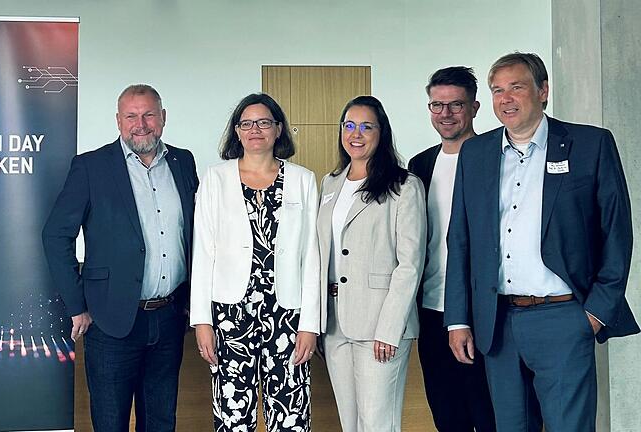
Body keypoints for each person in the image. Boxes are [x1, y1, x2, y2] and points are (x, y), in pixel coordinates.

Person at [444, 52, 639, 432]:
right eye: (497, 90)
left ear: (543, 90)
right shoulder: (476, 153)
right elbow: (461, 241)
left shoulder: (590, 144)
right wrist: (457, 319)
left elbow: (617, 233)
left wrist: (595, 313)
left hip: (564, 317)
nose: (506, 99)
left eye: (516, 87)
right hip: (497, 323)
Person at [42, 84, 198, 432]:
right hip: (110, 320)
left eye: (148, 114)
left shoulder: (182, 161)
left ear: (163, 118)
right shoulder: (91, 167)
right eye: (131, 116)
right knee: (110, 421)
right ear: (118, 120)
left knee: (160, 420)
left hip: (169, 316)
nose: (140, 124)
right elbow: (55, 235)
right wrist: (76, 305)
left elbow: (196, 233)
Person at [190, 93, 320, 432]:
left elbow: (313, 257)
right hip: (230, 316)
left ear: (278, 129)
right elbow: (202, 253)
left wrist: (310, 324)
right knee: (233, 417)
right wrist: (202, 321)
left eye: (264, 122)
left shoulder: (303, 179)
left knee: (290, 415)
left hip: (287, 315)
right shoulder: (215, 179)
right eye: (246, 123)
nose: (255, 130)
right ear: (237, 131)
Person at [318, 95, 426, 431]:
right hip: (336, 323)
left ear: (382, 133)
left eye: (367, 126)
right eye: (349, 125)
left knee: (378, 423)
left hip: (380, 325)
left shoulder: (404, 186)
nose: (356, 134)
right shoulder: (330, 182)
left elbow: (410, 264)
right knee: (350, 423)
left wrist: (389, 329)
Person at [408, 66, 495, 431]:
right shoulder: (420, 165)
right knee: (446, 414)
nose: (445, 114)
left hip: (483, 311)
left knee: (489, 413)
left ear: (475, 107)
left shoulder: (496, 158)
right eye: (436, 105)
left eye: (455, 105)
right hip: (432, 309)